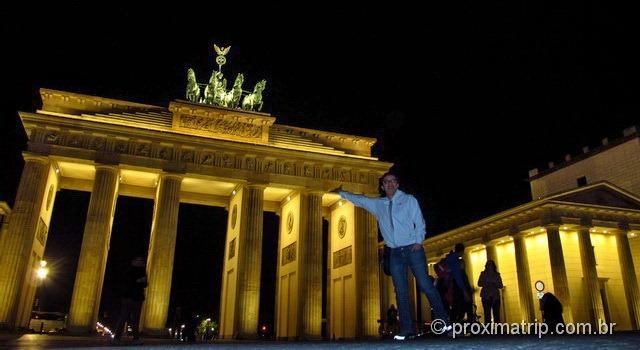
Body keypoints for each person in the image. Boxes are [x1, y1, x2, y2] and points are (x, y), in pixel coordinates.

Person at [335, 171, 451, 340]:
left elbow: (419, 221)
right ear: (382, 186)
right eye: (386, 182)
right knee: (401, 292)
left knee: (426, 285)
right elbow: (361, 200)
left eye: (392, 181)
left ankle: (445, 322)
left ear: (397, 184)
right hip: (395, 252)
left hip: (413, 249)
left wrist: (419, 241)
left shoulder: (409, 200)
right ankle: (406, 329)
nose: (389, 184)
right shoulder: (378, 204)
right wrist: (341, 193)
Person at [113, 256, 148, 343]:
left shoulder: (143, 271)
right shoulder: (128, 270)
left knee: (136, 319)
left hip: (138, 297)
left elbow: (145, 284)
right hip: (128, 297)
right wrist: (138, 281)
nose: (140, 262)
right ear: (133, 261)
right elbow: (126, 282)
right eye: (138, 260)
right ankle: (117, 337)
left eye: (141, 260)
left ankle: (136, 338)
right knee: (123, 317)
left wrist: (143, 282)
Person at [444, 243, 475, 323]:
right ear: (462, 251)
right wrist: (465, 291)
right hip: (458, 287)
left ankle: (455, 324)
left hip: (454, 286)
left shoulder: (451, 259)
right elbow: (458, 277)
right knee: (462, 306)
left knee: (458, 307)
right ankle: (458, 324)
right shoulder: (455, 260)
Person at [477, 259, 503, 324]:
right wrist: (486, 283)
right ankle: (488, 332)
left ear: (493, 266)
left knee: (497, 316)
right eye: (488, 264)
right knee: (487, 316)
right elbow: (479, 283)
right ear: (486, 266)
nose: (490, 266)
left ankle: (498, 332)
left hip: (495, 297)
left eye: (491, 264)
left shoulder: (497, 275)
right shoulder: (483, 274)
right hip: (486, 297)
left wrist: (494, 284)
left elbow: (500, 285)